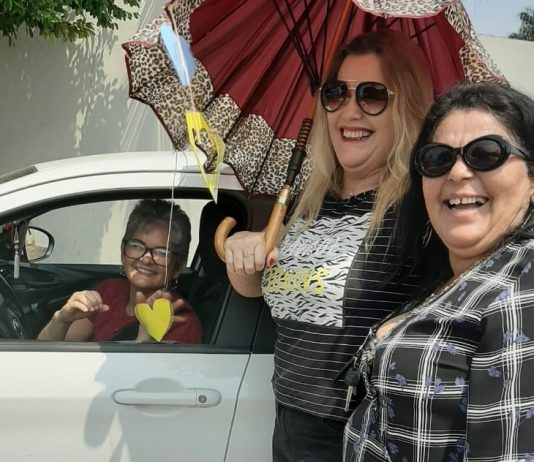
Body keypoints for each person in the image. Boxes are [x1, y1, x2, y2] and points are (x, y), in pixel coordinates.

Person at [224, 30, 434, 461]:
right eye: (336, 93)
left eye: (372, 95)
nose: (349, 110)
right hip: (288, 422)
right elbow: (259, 288)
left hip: (357, 434)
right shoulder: (310, 201)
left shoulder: (419, 210)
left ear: (406, 107)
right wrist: (243, 253)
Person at [344, 81, 534, 461]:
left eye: (486, 153)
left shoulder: (522, 287)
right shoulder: (457, 277)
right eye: (437, 158)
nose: (458, 172)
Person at [38, 199, 201, 343]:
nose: (146, 258)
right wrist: (62, 319)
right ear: (123, 251)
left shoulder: (181, 321)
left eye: (161, 252)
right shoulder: (109, 291)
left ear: (178, 266)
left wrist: (144, 342)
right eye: (137, 246)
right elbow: (45, 355)